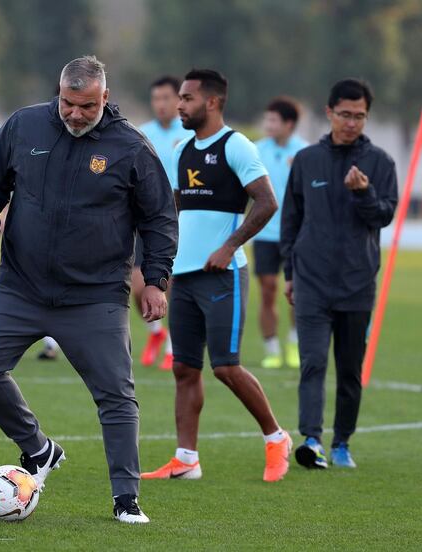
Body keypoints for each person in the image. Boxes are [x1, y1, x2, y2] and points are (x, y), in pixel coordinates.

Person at [0, 56, 178, 523]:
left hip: (94, 297)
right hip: (20, 286)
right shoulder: (25, 126)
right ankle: (37, 448)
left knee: (116, 397)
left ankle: (126, 499)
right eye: (67, 103)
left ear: (105, 97)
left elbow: (159, 218)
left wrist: (156, 280)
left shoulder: (131, 147)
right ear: (57, 93)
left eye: (86, 106)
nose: (75, 114)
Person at [142, 69, 292, 484]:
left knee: (226, 368)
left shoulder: (236, 146)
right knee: (185, 369)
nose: (179, 106)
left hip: (224, 277)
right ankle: (186, 458)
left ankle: (276, 437)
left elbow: (266, 202)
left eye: (187, 98)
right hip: (185, 278)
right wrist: (163, 266)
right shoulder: (180, 150)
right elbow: (171, 213)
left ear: (212, 102)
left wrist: (229, 247)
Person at [281, 78, 397, 470]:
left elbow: (384, 215)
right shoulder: (307, 160)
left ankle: (342, 443)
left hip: (357, 283)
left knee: (350, 370)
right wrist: (289, 273)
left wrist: (364, 192)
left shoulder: (380, 163)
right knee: (312, 362)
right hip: (311, 281)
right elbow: (291, 219)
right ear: (330, 112)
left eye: (360, 116)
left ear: (367, 116)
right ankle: (311, 440)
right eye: (345, 114)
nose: (352, 122)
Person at [137, 75, 191, 370]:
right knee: (135, 285)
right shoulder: (141, 134)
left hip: (178, 217)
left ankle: (172, 347)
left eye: (167, 98)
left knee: (168, 282)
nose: (161, 104)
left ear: (179, 100)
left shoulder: (189, 133)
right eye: (156, 99)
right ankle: (156, 333)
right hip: (143, 217)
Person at [253, 97, 308, 369]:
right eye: (267, 119)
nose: (268, 125)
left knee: (297, 291)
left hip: (296, 235)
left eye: (273, 120)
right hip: (263, 233)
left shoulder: (304, 153)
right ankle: (272, 348)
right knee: (268, 290)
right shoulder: (255, 150)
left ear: (289, 124)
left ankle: (295, 344)